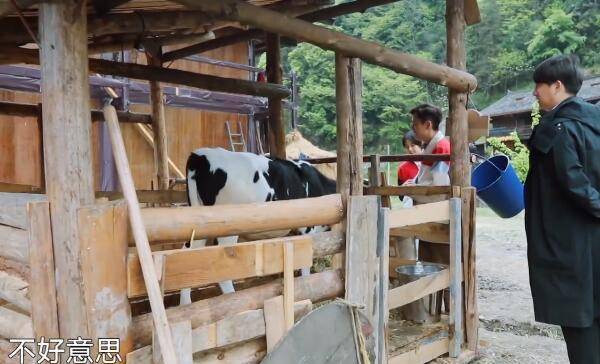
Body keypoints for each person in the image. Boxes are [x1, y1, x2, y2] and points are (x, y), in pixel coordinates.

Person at [524, 54, 600, 364]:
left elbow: (574, 183)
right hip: (594, 241)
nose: (534, 93)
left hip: (567, 244)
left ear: (557, 86)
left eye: (538, 86)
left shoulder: (558, 129)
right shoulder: (593, 121)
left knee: (580, 323)